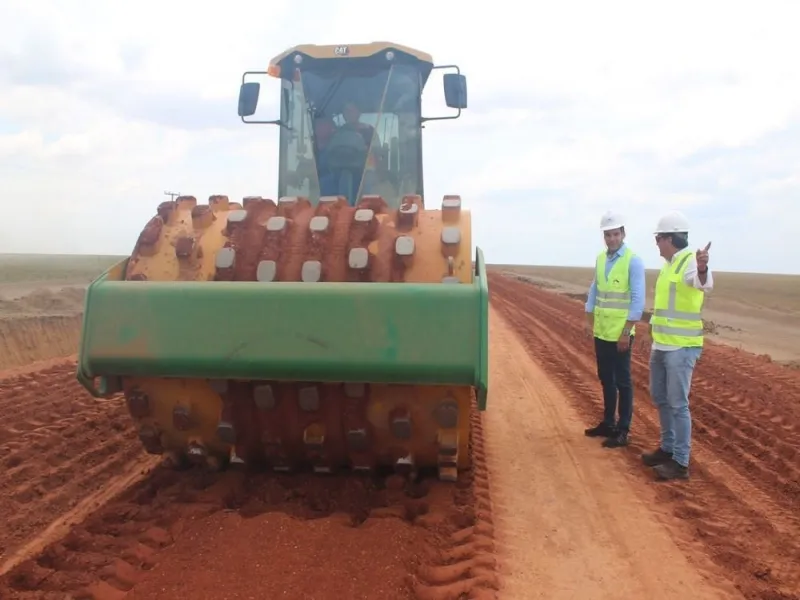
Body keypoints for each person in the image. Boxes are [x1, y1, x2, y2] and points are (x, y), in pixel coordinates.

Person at [642, 210, 713, 481]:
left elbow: (701, 282)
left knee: (678, 403)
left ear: (670, 238)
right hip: (662, 344)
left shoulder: (689, 262)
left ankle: (680, 462)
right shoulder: (669, 264)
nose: (656, 243)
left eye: (658, 238)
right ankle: (667, 448)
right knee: (660, 397)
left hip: (682, 347)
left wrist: (703, 267)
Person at [584, 211, 646, 448]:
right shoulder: (601, 259)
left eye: (615, 234)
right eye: (607, 235)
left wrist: (627, 331)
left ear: (623, 234)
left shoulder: (633, 260)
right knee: (605, 378)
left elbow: (638, 299)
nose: (611, 239)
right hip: (601, 331)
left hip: (620, 334)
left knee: (623, 381)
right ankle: (608, 422)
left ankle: (623, 429)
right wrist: (588, 320)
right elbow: (594, 290)